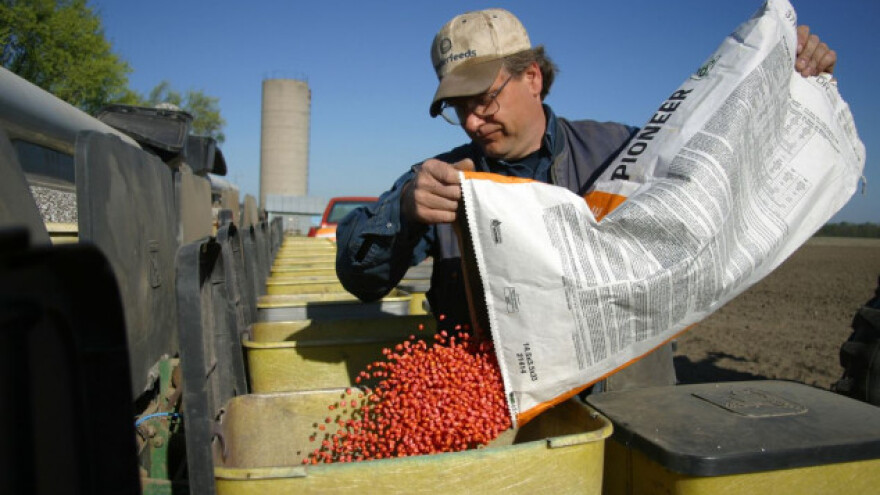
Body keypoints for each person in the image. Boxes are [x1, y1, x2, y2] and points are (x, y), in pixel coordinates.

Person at [336, 8, 837, 390]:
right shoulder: (441, 179)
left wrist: (785, 76)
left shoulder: (621, 151)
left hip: (632, 413)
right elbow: (358, 275)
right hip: (505, 422)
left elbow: (727, 168)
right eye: (457, 108)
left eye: (482, 99)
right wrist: (403, 212)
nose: (470, 121)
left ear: (532, 77)